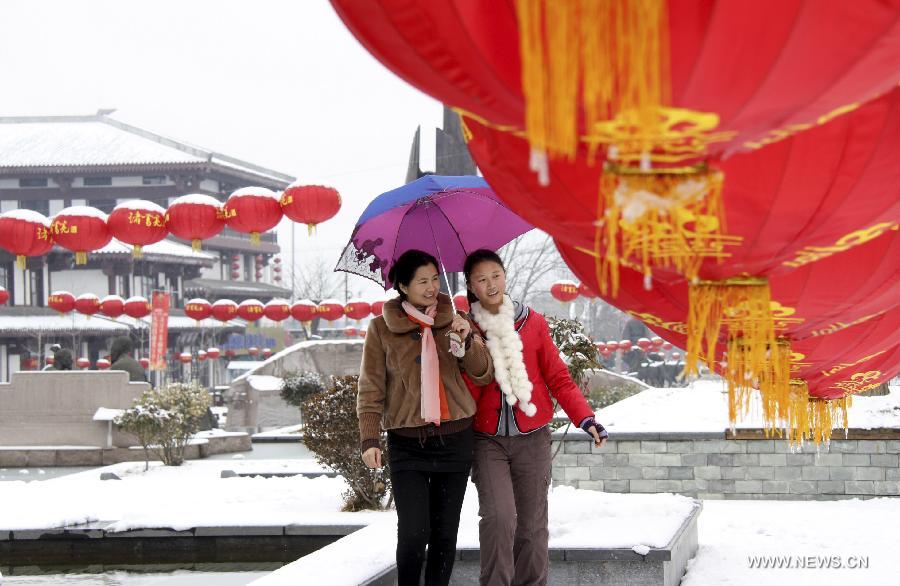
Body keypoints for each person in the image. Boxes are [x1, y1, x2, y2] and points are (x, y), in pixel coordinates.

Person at [463, 249, 608, 586]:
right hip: (487, 439)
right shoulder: (465, 328)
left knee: (531, 525)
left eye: (495, 275)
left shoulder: (533, 322)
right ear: (471, 286)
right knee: (499, 518)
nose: (491, 284)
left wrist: (585, 419)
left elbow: (559, 378)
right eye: (481, 280)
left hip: (533, 437)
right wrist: (466, 345)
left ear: (505, 276)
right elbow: (464, 390)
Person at [358, 249, 493, 586]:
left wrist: (469, 339)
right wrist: (369, 439)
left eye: (435, 278)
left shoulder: (455, 319)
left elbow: (482, 375)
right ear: (403, 286)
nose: (432, 286)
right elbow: (371, 386)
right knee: (415, 534)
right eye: (422, 281)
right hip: (408, 445)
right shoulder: (380, 329)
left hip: (455, 440)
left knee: (445, 534)